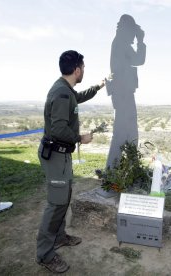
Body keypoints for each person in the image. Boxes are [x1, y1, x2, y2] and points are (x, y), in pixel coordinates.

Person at [36, 50, 105, 273]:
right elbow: (57, 128)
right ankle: (45, 254)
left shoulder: (66, 90)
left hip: (61, 154)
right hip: (56, 154)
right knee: (56, 203)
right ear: (77, 69)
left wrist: (98, 86)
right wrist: (79, 138)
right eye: (83, 68)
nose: (84, 71)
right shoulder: (62, 94)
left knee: (63, 197)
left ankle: (59, 237)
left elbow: (80, 96)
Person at [105, 14, 146, 169]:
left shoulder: (119, 42)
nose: (134, 36)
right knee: (122, 134)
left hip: (123, 93)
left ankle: (130, 168)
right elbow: (139, 60)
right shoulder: (121, 43)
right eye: (133, 31)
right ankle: (111, 171)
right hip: (123, 95)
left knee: (130, 133)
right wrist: (141, 41)